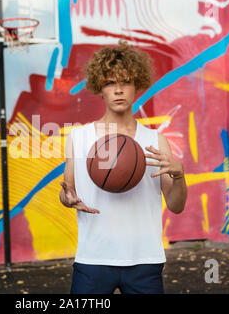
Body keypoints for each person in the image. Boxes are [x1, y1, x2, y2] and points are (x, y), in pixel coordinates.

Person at [59, 40, 187, 294]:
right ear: (100, 88)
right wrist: (67, 197)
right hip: (93, 258)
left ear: (137, 85)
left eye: (125, 82)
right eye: (109, 83)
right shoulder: (80, 138)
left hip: (144, 259)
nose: (118, 90)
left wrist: (179, 175)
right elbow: (67, 191)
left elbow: (176, 205)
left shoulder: (155, 141)